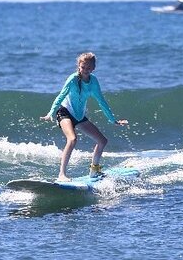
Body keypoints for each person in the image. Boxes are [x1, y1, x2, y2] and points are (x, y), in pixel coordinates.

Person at [41, 52, 128, 181]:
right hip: (65, 112)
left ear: (93, 68)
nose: (85, 70)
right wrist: (50, 113)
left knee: (102, 141)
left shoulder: (93, 81)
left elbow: (101, 101)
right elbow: (60, 96)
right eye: (83, 67)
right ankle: (61, 174)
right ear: (79, 66)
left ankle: (94, 170)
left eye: (88, 68)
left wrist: (112, 120)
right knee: (72, 139)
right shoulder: (73, 79)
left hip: (79, 116)